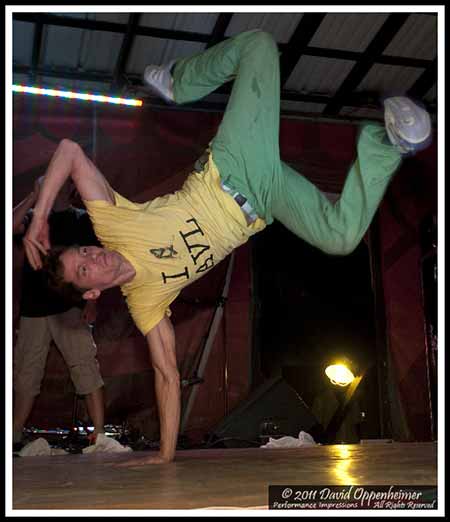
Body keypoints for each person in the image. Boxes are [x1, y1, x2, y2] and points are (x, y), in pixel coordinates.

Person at [22, 30, 432, 464]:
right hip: (266, 200)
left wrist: (41, 218)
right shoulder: (145, 300)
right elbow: (166, 376)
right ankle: (384, 143)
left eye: (83, 252)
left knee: (258, 46)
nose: (93, 256)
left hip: (232, 166)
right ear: (92, 294)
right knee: (341, 236)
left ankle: (182, 80)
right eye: (84, 269)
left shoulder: (111, 224)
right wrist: (164, 457)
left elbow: (68, 151)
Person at [13, 177, 106, 449]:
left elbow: (98, 265)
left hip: (69, 308)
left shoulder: (82, 219)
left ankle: (99, 436)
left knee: (85, 367)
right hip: (34, 309)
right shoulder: (34, 218)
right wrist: (34, 195)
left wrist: (92, 303)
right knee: (26, 372)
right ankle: (14, 432)